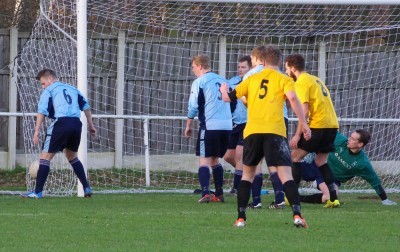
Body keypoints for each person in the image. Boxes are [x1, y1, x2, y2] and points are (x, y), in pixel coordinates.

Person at [221, 45, 311, 228]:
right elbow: (293, 99)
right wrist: (305, 124)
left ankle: (240, 218)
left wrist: (224, 89)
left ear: (262, 61)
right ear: (279, 61)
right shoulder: (284, 79)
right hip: (275, 132)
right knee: (285, 174)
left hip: (253, 131)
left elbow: (228, 98)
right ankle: (297, 215)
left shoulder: (251, 79)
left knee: (247, 174)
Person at [21, 69, 96, 198]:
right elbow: (86, 107)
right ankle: (86, 187)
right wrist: (91, 125)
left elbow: (42, 111)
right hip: (76, 124)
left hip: (61, 123)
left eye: (43, 83)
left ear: (49, 79)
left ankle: (37, 192)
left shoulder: (49, 90)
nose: (43, 87)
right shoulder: (72, 89)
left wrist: (37, 130)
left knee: (45, 158)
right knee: (72, 157)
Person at [285, 54, 340, 208]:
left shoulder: (301, 82)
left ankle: (291, 197)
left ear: (293, 68)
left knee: (295, 157)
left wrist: (297, 135)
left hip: (319, 125)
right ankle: (333, 198)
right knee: (321, 161)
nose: (286, 71)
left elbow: (304, 109)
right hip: (332, 125)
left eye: (287, 68)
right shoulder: (315, 79)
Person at [299, 130, 397, 205]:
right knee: (289, 173)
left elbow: (375, 181)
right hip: (316, 167)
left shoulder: (362, 163)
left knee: (330, 198)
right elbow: (325, 133)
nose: (349, 139)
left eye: (353, 139)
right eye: (350, 136)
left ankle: (298, 198)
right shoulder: (340, 140)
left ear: (360, 144)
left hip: (332, 180)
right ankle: (285, 196)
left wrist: (385, 199)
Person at [185, 54, 232, 203]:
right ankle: (219, 193)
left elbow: (193, 105)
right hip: (226, 126)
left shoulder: (200, 82)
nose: (193, 71)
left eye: (193, 68)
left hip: (210, 126)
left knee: (204, 161)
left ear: (199, 66)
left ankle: (205, 192)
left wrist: (188, 125)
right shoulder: (224, 81)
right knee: (215, 160)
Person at [223, 55, 252, 195]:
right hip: (235, 123)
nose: (240, 70)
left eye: (243, 67)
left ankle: (237, 187)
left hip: (249, 122)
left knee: (240, 154)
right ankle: (246, 174)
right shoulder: (232, 81)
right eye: (239, 67)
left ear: (250, 68)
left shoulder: (253, 81)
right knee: (228, 156)